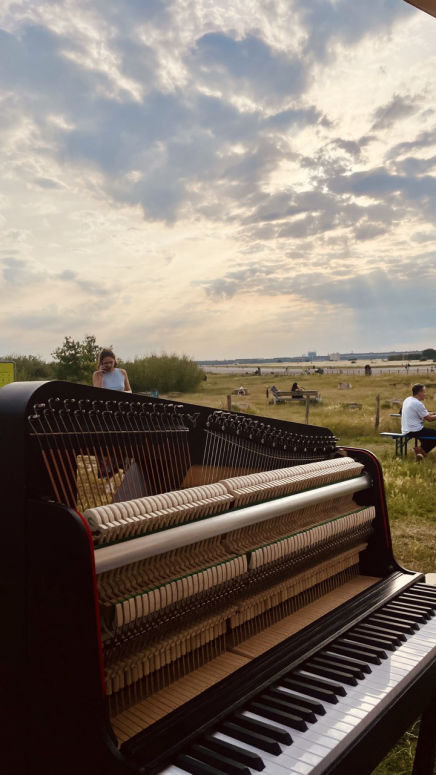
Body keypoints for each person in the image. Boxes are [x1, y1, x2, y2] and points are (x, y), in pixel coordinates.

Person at [401, 384, 436, 461]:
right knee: (433, 435)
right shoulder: (418, 403)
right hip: (415, 430)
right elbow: (429, 419)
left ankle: (420, 453)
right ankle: (421, 452)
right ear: (419, 392)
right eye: (424, 392)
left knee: (428, 437)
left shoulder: (408, 399)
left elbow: (423, 413)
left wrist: (433, 413)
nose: (425, 394)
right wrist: (432, 415)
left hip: (406, 430)